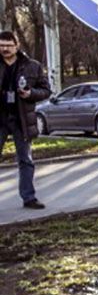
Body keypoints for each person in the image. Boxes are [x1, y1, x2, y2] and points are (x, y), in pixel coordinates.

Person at [0, 30, 51, 209]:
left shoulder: (32, 66)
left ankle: (29, 198)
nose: (5, 49)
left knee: (25, 160)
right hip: (1, 118)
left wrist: (30, 94)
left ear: (17, 46)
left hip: (21, 119)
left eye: (9, 45)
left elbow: (46, 91)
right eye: (1, 45)